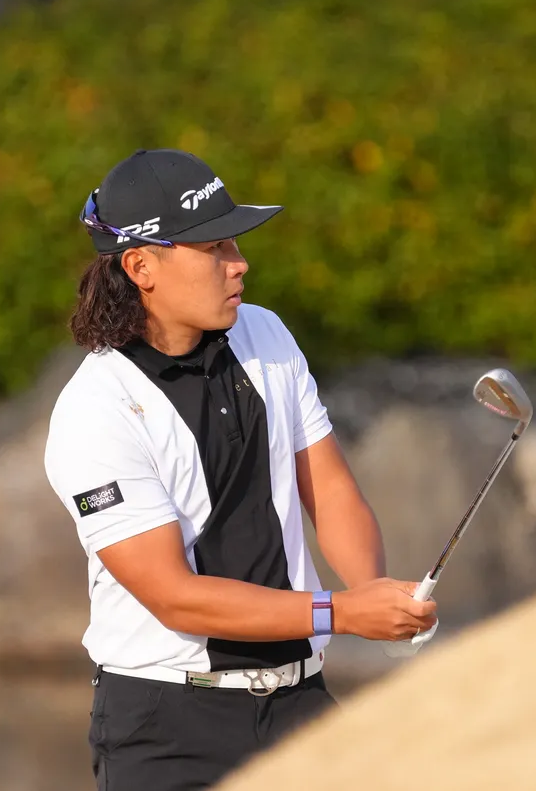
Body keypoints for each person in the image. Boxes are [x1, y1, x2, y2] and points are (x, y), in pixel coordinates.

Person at [43, 148, 439, 791]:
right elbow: (174, 595)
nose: (240, 263)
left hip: (299, 703)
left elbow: (330, 489)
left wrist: (378, 596)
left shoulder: (266, 334)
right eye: (214, 248)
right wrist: (343, 613)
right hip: (166, 728)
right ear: (141, 267)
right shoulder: (95, 410)